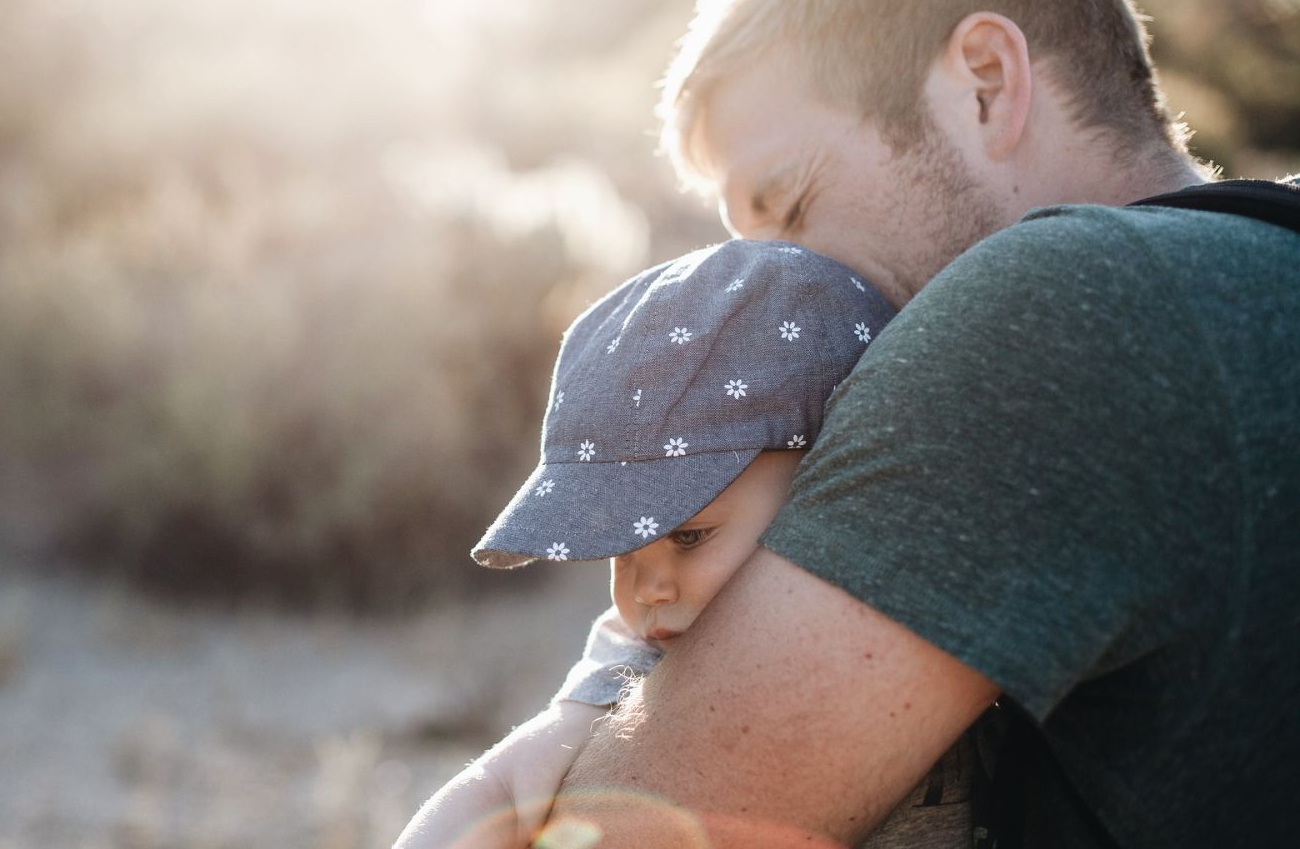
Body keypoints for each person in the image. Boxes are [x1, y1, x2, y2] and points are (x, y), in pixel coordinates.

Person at [536, 0, 1300, 847]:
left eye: (790, 204)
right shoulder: (1261, 270)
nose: (771, 287)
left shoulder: (1051, 308)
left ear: (985, 80)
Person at [396, 238, 992, 849]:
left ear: (828, 477)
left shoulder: (941, 576)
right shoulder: (647, 659)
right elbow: (499, 787)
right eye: (623, 551)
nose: (646, 590)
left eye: (689, 534)